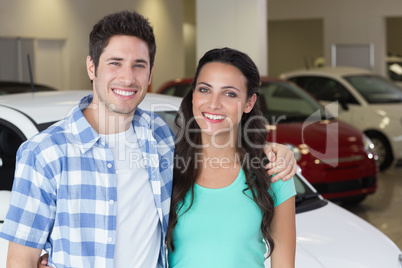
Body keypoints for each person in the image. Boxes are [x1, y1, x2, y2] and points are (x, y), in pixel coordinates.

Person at [1, 10, 296, 268]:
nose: (128, 78)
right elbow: (20, 259)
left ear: (151, 72)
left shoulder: (160, 138)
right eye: (115, 63)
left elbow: (220, 145)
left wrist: (275, 150)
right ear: (92, 67)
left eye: (138, 65)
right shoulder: (44, 153)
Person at [166, 48, 296, 267]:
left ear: (249, 102)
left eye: (230, 93)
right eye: (205, 89)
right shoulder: (167, 167)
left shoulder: (272, 171)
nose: (214, 103)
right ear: (193, 95)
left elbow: (283, 263)